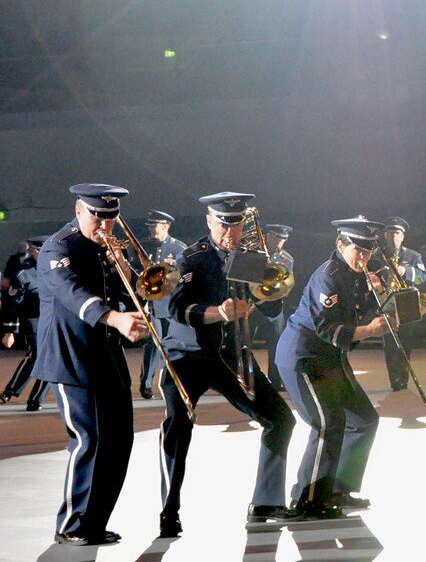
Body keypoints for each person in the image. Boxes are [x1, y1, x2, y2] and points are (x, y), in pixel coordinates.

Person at [158, 192, 296, 538]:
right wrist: (217, 313)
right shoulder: (190, 258)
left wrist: (271, 291)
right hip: (186, 355)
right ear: (209, 221)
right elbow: (176, 308)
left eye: (236, 226)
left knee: (281, 418)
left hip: (230, 354)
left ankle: (265, 501)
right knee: (178, 428)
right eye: (223, 224)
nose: (229, 233)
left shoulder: (249, 257)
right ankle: (168, 510)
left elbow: (271, 310)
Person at [32, 184, 149, 546]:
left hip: (105, 354)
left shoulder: (105, 248)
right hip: (69, 357)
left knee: (119, 439)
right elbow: (73, 294)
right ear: (79, 210)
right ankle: (70, 523)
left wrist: (127, 270)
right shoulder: (58, 247)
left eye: (112, 219)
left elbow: (132, 290)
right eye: (98, 217)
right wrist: (115, 318)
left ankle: (94, 521)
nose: (105, 226)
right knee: (88, 438)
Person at [275, 218, 391, 519]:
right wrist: (370, 330)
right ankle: (307, 499)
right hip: (304, 358)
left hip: (329, 359)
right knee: (328, 423)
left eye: (368, 251)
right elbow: (329, 330)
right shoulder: (327, 277)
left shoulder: (356, 276)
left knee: (365, 419)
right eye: (358, 250)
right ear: (340, 245)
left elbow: (355, 320)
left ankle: (338, 488)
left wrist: (376, 296)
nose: (363, 258)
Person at [136, 210, 186, 399]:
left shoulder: (179, 248)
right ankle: (146, 384)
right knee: (153, 344)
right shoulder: (143, 246)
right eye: (149, 225)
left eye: (154, 226)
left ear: (165, 226)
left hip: (171, 306)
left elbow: (185, 278)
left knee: (171, 346)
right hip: (152, 305)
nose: (150, 229)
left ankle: (167, 382)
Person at [376, 216, 426, 391]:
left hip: (407, 304)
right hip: (386, 304)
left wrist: (405, 270)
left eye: (397, 233)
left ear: (403, 236)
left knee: (406, 343)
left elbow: (422, 277)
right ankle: (395, 381)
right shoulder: (377, 256)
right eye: (390, 233)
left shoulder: (414, 256)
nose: (393, 236)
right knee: (390, 345)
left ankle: (404, 379)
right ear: (385, 236)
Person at [0, 235, 50, 410]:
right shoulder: (23, 273)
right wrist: (9, 331)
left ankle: (36, 399)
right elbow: (12, 304)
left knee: (54, 358)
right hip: (34, 319)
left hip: (56, 319)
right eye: (38, 251)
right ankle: (10, 391)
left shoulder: (59, 268)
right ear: (35, 252)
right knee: (36, 355)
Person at [248, 223, 294, 389]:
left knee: (276, 346)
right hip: (253, 305)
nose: (280, 242)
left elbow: (286, 284)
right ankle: (246, 379)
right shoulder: (254, 254)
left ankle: (275, 381)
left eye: (283, 239)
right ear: (268, 236)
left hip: (274, 307)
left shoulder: (287, 259)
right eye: (277, 238)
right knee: (245, 343)